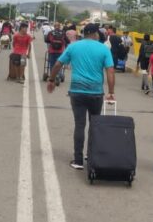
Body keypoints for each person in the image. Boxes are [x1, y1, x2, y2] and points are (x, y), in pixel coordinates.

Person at [46, 23, 115, 171]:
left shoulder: (73, 47)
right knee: (94, 125)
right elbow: (110, 71)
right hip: (96, 93)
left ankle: (78, 160)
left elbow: (58, 64)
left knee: (79, 125)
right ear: (95, 34)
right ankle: (91, 156)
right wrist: (111, 92)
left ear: (84, 34)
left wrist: (51, 80)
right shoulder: (104, 48)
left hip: (77, 91)